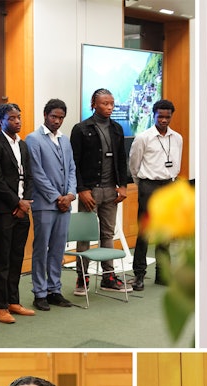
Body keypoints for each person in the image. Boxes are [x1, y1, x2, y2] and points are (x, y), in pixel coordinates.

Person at [70, 88, 130, 294]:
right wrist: (81, 190)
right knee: (85, 236)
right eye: (105, 103)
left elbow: (122, 159)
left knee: (107, 234)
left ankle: (108, 277)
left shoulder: (117, 128)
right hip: (90, 191)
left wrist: (123, 185)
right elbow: (74, 164)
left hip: (110, 191)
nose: (109, 107)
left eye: (112, 103)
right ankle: (82, 278)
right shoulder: (81, 128)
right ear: (93, 103)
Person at [25, 98, 76, 311]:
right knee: (41, 249)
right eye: (54, 116)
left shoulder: (65, 140)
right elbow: (37, 173)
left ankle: (55, 289)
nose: (57, 121)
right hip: (45, 204)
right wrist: (57, 197)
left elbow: (72, 168)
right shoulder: (33, 139)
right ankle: (40, 292)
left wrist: (71, 195)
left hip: (65, 204)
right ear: (45, 115)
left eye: (61, 117)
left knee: (57, 249)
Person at [0, 102, 35, 324]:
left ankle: (14, 301)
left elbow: (30, 176)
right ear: (1, 121)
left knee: (17, 257)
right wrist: (17, 203)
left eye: (19, 117)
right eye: (12, 118)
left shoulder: (23, 145)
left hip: (23, 210)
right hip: (4, 210)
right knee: (2, 259)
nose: (17, 121)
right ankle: (1, 305)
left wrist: (25, 203)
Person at [128, 99, 183, 291]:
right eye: (161, 116)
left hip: (168, 185)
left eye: (168, 117)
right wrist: (141, 184)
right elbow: (134, 165)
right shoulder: (143, 138)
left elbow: (176, 163)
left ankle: (163, 274)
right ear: (154, 115)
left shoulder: (177, 138)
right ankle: (139, 275)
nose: (164, 120)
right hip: (148, 186)